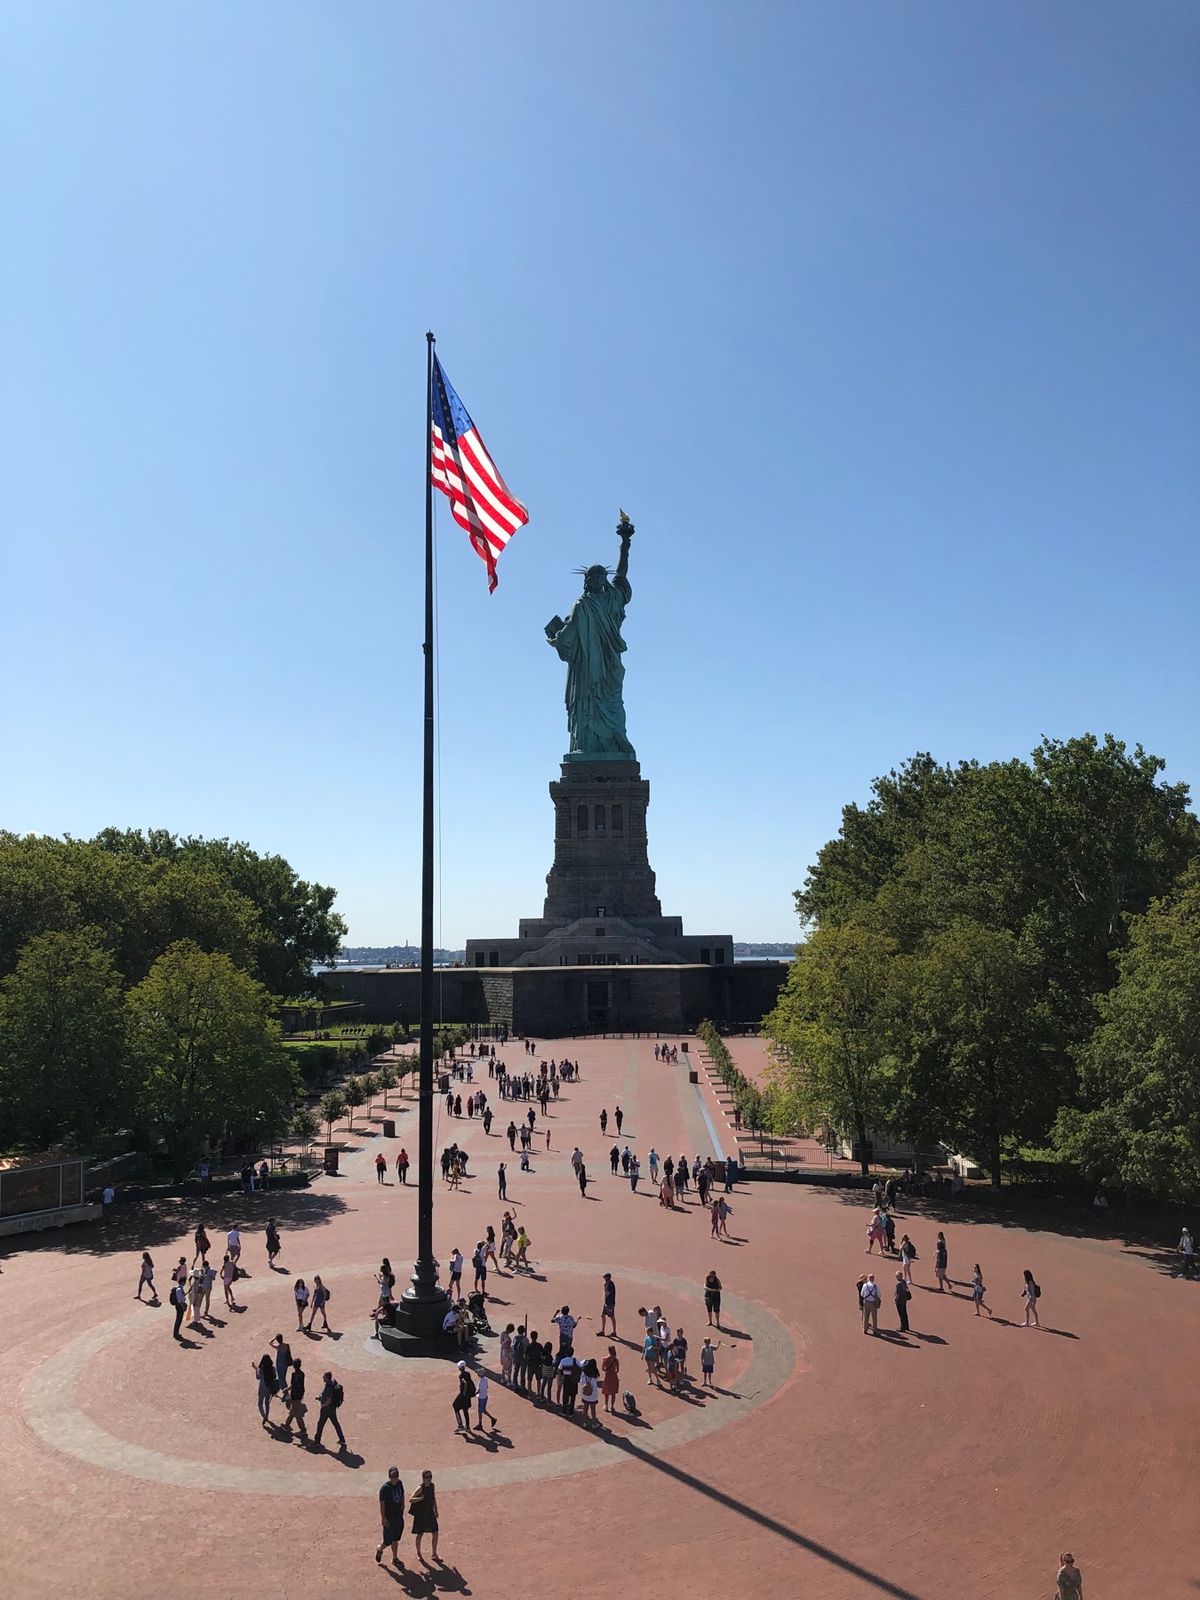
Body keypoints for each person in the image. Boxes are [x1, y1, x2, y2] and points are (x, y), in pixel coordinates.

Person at [376, 1466, 406, 1567]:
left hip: (398, 1516)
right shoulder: (385, 1489)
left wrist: (403, 1506)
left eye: (396, 1475)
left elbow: (402, 1495)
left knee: (396, 1538)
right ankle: (380, 1548)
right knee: (387, 1540)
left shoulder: (400, 1483)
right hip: (389, 1517)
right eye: (393, 1476)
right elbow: (382, 1504)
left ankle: (395, 1558)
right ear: (389, 1476)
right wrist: (383, 1518)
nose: (395, 1478)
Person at [409, 1470, 439, 1564]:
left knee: (435, 1532)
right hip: (421, 1514)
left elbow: (433, 1497)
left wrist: (436, 1509)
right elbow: (411, 1499)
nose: (428, 1479)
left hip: (430, 1512)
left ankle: (434, 1553)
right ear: (423, 1478)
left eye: (430, 1476)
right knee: (420, 1534)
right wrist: (420, 1498)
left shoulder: (432, 1486)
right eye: (426, 1477)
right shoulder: (420, 1488)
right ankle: (418, 1553)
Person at [314, 1371, 346, 1450]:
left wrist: (323, 1405)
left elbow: (329, 1400)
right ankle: (342, 1439)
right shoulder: (333, 1383)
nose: (322, 1378)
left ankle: (317, 1441)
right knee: (336, 1423)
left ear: (327, 1378)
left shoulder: (329, 1387)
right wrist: (320, 1398)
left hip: (326, 1409)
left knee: (320, 1424)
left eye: (324, 1377)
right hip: (332, 1409)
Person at [283, 1358, 307, 1439]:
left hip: (294, 1396)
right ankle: (287, 1425)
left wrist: (286, 1389)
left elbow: (292, 1385)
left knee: (297, 1414)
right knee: (293, 1411)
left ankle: (303, 1430)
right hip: (299, 1395)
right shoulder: (302, 1374)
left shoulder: (294, 1375)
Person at [254, 1352, 278, 1425]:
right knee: (267, 1403)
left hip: (262, 1388)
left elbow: (257, 1377)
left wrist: (256, 1368)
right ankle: (267, 1415)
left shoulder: (261, 1369)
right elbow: (274, 1376)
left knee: (260, 1403)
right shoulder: (273, 1368)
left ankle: (264, 1416)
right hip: (269, 1388)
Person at [452, 1361, 476, 1431]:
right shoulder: (468, 1374)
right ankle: (467, 1426)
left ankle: (460, 1425)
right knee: (465, 1410)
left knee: (455, 1406)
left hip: (463, 1395)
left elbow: (464, 1383)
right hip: (468, 1396)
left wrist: (464, 1393)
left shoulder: (461, 1376)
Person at [601, 1345, 620, 1412]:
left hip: (607, 1376)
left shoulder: (605, 1359)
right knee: (613, 1392)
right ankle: (612, 1406)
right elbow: (617, 1370)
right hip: (614, 1376)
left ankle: (606, 1406)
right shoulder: (616, 1360)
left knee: (606, 1392)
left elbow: (603, 1369)